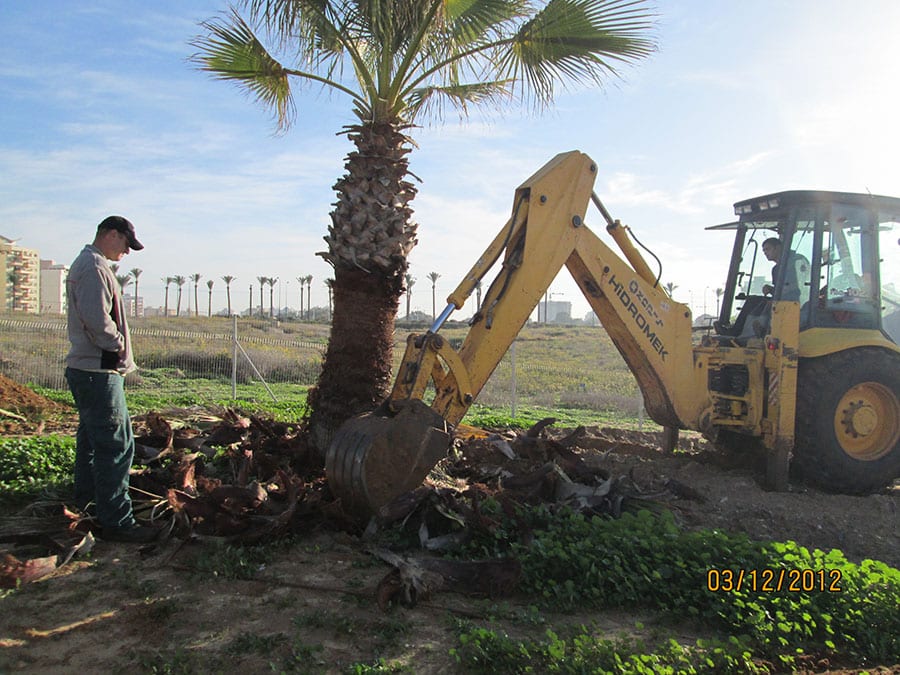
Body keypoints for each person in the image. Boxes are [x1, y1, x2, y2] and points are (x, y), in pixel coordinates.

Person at [65, 216, 156, 543]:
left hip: (87, 370)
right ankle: (118, 522)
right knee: (116, 446)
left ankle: (88, 504)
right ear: (111, 234)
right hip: (98, 371)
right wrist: (117, 345)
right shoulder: (94, 268)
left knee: (91, 441)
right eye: (126, 244)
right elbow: (97, 321)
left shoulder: (87, 264)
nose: (127, 253)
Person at [761, 237, 807, 302]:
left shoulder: (797, 261)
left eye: (768, 249)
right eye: (764, 251)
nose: (765, 253)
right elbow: (780, 291)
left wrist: (777, 290)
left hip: (797, 303)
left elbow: (802, 285)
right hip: (783, 304)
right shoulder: (776, 269)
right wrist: (771, 289)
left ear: (778, 248)